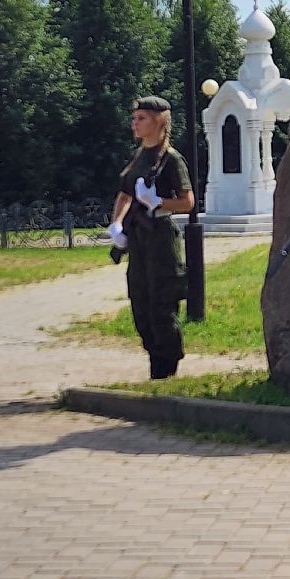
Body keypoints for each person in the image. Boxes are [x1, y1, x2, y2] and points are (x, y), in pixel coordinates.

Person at [109, 96, 194, 380]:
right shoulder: (138, 156)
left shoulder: (171, 159)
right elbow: (125, 193)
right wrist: (117, 225)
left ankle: (165, 371)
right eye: (134, 118)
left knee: (162, 305)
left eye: (141, 118)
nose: (135, 123)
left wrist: (159, 201)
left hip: (161, 239)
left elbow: (188, 202)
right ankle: (156, 362)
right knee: (140, 304)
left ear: (159, 121)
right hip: (139, 240)